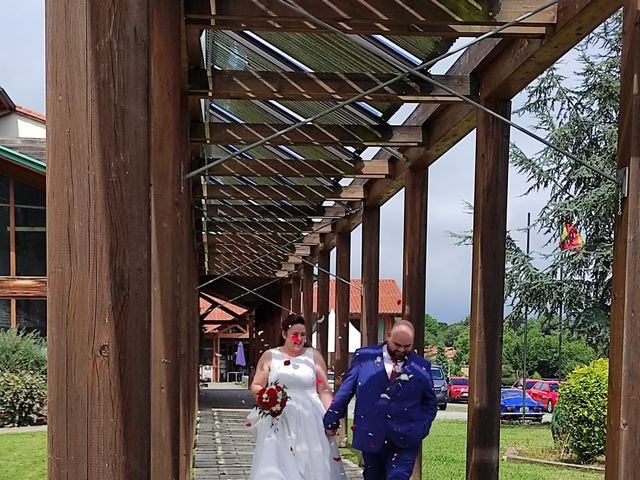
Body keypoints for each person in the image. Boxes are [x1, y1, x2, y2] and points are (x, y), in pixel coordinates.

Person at [324, 320, 438, 480]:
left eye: (407, 347)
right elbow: (345, 391)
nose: (401, 350)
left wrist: (422, 427)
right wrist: (331, 419)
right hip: (371, 434)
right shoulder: (363, 357)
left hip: (406, 438)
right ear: (388, 335)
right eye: (397, 345)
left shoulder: (421, 366)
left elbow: (430, 403)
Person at [247, 314, 346, 480]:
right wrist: (268, 397)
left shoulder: (313, 355)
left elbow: (324, 389)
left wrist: (331, 417)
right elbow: (256, 385)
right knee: (277, 460)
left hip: (310, 417)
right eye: (295, 334)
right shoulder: (270, 355)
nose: (299, 339)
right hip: (279, 416)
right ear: (284, 334)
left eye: (303, 335)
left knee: (310, 459)